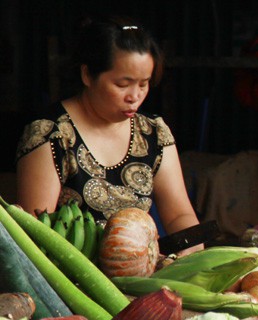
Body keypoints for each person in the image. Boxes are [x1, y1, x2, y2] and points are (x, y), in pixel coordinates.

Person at [15, 15, 200, 241]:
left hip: (141, 270)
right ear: (87, 75)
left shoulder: (154, 132)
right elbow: (35, 234)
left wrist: (190, 249)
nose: (135, 96)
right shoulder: (50, 134)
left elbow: (179, 215)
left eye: (144, 84)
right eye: (122, 84)